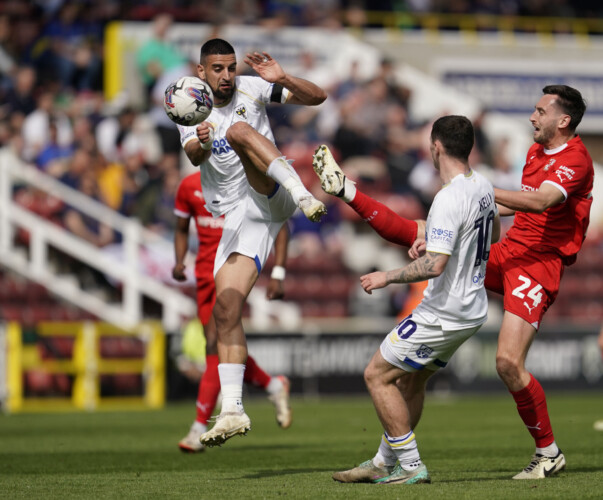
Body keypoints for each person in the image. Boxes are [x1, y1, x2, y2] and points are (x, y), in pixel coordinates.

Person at [318, 85, 594, 480]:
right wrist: (464, 210)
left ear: (563, 120)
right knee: (425, 231)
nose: (532, 117)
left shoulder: (576, 159)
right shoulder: (534, 153)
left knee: (507, 363)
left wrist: (472, 190)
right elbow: (498, 211)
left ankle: (548, 452)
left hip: (537, 264)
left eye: (540, 111)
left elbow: (541, 202)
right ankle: (349, 192)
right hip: (508, 250)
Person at [314, 115, 500, 484]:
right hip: (471, 309)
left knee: (376, 375)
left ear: (436, 147)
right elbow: (490, 234)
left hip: (444, 311)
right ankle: (384, 462)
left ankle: (412, 465)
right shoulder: (482, 185)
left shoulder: (447, 197)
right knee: (411, 382)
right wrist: (437, 238)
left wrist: (387, 276)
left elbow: (434, 265)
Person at [176, 38, 326, 447]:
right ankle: (232, 411)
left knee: (240, 130)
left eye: (231, 67)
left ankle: (303, 193)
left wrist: (284, 78)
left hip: (271, 195)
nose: (227, 76)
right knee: (225, 310)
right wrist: (203, 141)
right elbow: (193, 155)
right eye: (218, 69)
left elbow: (318, 97)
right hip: (239, 217)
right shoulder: (190, 103)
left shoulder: (253, 87)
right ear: (201, 71)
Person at [172, 173, 292, 453]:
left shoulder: (243, 181)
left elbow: (280, 222)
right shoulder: (188, 186)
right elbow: (180, 227)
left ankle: (199, 426)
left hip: (232, 272)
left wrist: (278, 273)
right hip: (203, 276)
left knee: (215, 343)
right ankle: (273, 385)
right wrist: (179, 261)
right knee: (220, 346)